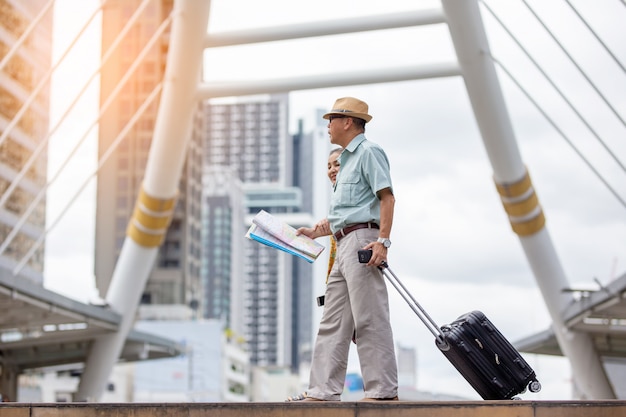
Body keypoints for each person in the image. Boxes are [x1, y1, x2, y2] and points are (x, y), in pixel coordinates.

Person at [290, 97, 398, 401]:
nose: (328, 126)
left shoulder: (369, 152)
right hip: (342, 244)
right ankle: (322, 391)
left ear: (347, 121)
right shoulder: (346, 162)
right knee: (332, 321)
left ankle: (382, 392)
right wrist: (314, 231)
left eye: (332, 120)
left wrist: (383, 242)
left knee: (370, 318)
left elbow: (386, 198)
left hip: (363, 241)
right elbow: (345, 213)